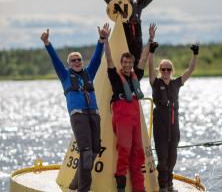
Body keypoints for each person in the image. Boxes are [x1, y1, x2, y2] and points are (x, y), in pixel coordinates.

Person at [40, 25, 107, 192]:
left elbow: (97, 59)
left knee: (94, 150)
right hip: (78, 116)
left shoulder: (88, 73)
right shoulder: (65, 75)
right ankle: (83, 189)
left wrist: (101, 40)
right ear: (69, 64)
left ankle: (74, 184)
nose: (77, 62)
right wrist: (47, 43)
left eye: (79, 60)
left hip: (94, 114)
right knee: (85, 152)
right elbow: (55, 59)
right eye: (73, 60)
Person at [102, 22, 157, 192]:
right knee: (124, 150)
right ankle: (120, 187)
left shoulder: (136, 75)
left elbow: (144, 58)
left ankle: (139, 188)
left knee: (138, 152)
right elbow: (109, 58)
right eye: (125, 62)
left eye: (129, 63)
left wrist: (150, 40)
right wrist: (105, 39)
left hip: (135, 117)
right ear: (122, 63)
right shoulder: (114, 75)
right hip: (122, 115)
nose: (127, 65)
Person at [92, 0, 167, 68]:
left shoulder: (138, 3)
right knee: (122, 60)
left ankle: (135, 80)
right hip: (123, 32)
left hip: (136, 34)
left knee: (136, 61)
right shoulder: (117, 4)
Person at [148, 43, 199, 192]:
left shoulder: (177, 83)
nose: (166, 71)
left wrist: (195, 54)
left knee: (172, 158)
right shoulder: (156, 83)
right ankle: (162, 186)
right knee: (162, 158)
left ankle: (170, 184)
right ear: (160, 70)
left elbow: (191, 70)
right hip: (160, 125)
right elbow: (150, 69)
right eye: (163, 69)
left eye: (168, 69)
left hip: (174, 124)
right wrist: (151, 52)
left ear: (172, 71)